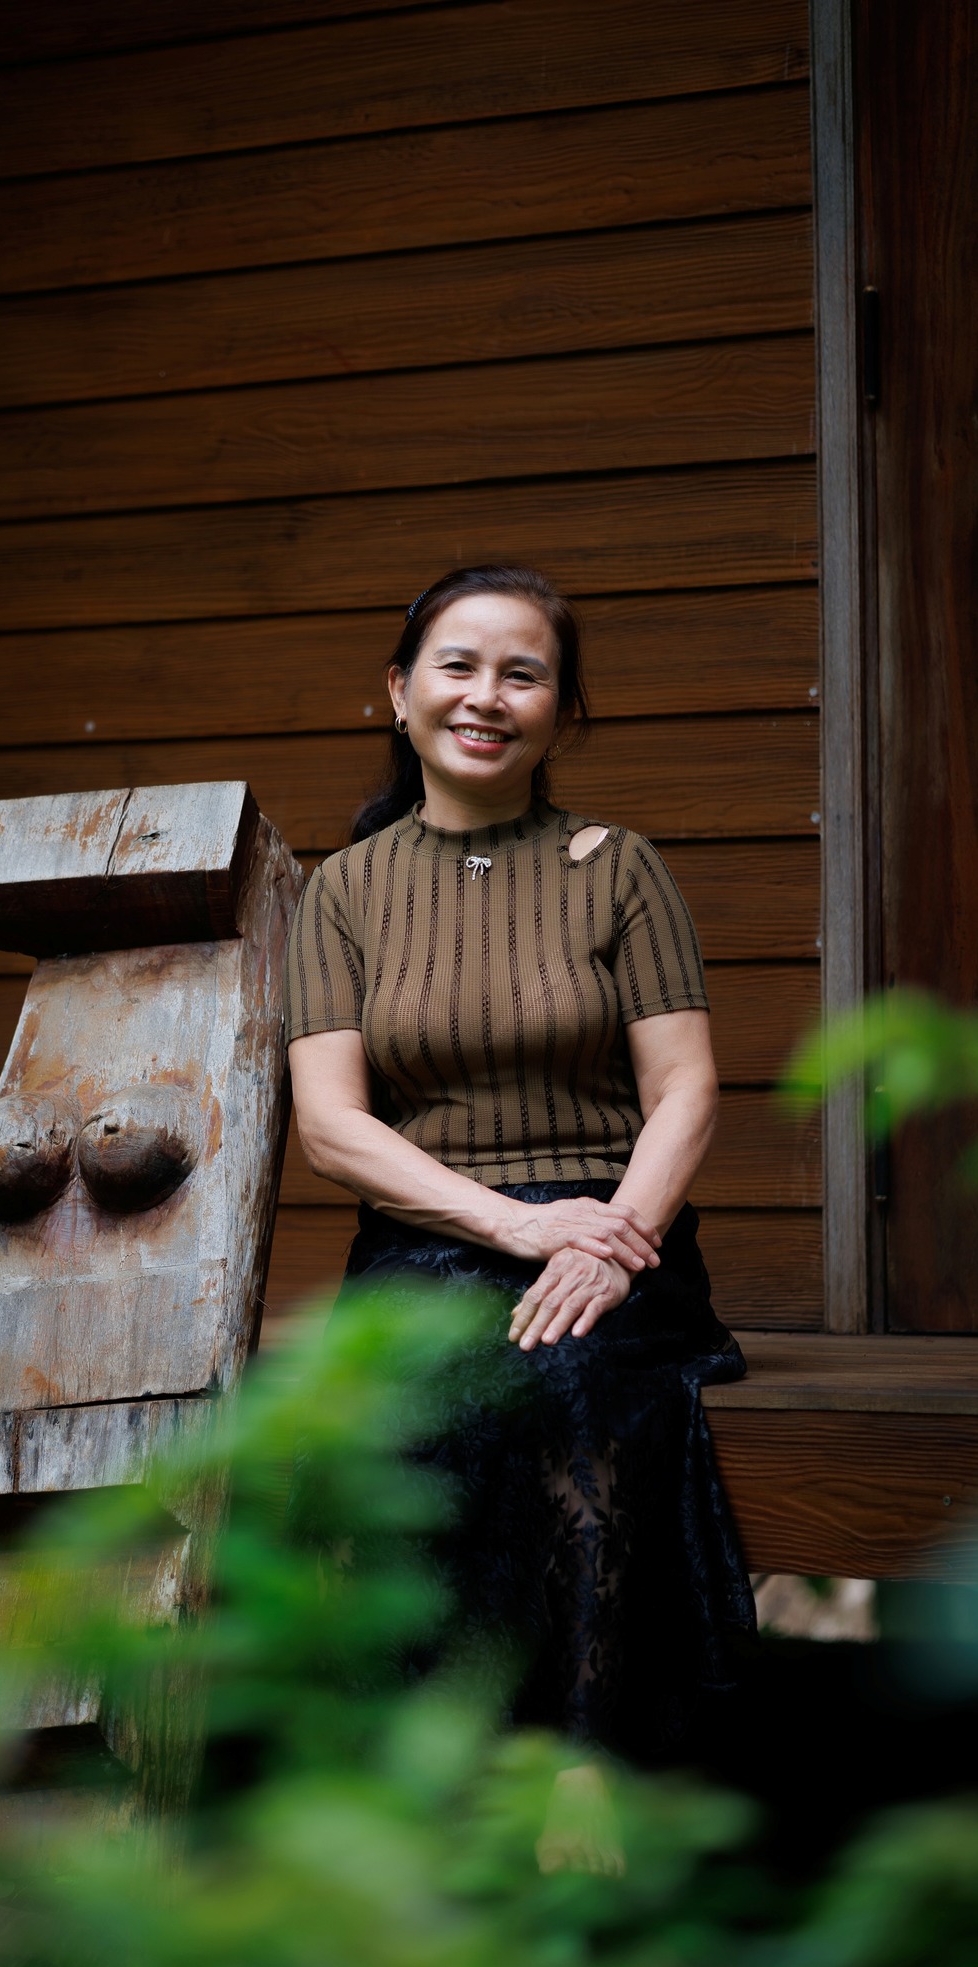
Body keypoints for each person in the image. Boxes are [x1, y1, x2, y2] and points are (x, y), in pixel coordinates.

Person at [283, 564, 756, 1873]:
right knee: (428, 1398)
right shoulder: (341, 892)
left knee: (579, 1380)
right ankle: (432, 1774)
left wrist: (611, 1238)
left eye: (522, 673)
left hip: (617, 1229)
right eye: (457, 666)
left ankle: (584, 1768)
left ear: (560, 710)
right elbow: (332, 1127)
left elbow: (685, 1090)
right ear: (399, 692)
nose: (485, 696)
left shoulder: (621, 870)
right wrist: (516, 1227)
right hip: (432, 1237)